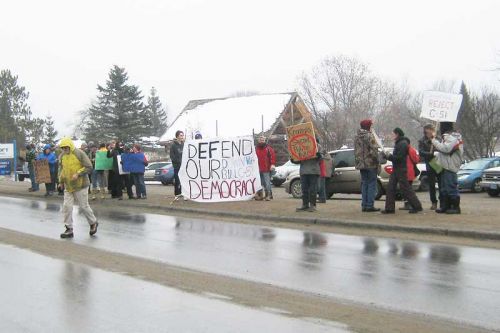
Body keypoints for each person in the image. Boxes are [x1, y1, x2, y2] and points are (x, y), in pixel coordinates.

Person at [58, 137, 98, 238]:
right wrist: (61, 181)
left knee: (84, 206)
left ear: (70, 146)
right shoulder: (62, 155)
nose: (64, 149)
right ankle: (69, 229)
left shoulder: (79, 153)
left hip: (81, 185)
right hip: (68, 185)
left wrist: (78, 173)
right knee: (67, 206)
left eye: (66, 147)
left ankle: (93, 223)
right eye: (63, 148)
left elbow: (89, 167)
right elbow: (62, 169)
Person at [381, 128, 422, 214]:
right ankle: (389, 208)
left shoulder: (402, 144)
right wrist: (388, 156)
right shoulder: (400, 143)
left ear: (397, 134)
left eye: (393, 134)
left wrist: (388, 156)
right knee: (391, 188)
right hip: (397, 169)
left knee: (405, 188)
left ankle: (417, 206)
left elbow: (399, 158)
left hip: (400, 169)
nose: (392, 135)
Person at [432, 122, 463, 214]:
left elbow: (446, 149)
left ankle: (455, 207)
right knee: (444, 187)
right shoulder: (449, 138)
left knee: (450, 186)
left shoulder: (452, 138)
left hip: (450, 166)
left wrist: (434, 142)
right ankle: (445, 206)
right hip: (445, 165)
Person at [354, 119, 381, 212]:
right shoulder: (369, 136)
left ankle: (364, 205)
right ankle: (370, 205)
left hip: (361, 164)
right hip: (370, 163)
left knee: (364, 183)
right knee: (371, 184)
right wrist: (378, 161)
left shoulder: (357, 136)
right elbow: (374, 150)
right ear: (368, 126)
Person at [294, 138, 322, 212]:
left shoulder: (318, 146)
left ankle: (313, 205)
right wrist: (293, 158)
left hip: (313, 171)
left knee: (313, 190)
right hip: (304, 171)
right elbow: (297, 160)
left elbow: (321, 158)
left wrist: (319, 156)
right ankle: (305, 205)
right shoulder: (300, 146)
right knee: (304, 190)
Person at [418, 124, 439, 210]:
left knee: (441, 181)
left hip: (437, 162)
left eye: (432, 129)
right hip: (429, 162)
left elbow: (441, 147)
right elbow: (421, 152)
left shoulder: (437, 138)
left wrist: (434, 140)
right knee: (431, 184)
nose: (431, 131)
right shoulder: (422, 140)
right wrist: (429, 154)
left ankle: (443, 201)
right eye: (429, 129)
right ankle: (434, 202)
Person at [255, 135, 276, 201]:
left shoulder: (269, 149)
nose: (261, 141)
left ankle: (268, 195)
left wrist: (272, 164)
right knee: (260, 183)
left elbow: (272, 156)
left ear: (265, 140)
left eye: (263, 140)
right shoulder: (256, 149)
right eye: (260, 140)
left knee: (267, 183)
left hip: (266, 169)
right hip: (258, 169)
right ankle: (260, 195)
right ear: (258, 141)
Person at [170, 130, 185, 198]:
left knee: (183, 180)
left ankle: (182, 192)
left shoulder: (183, 144)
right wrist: (178, 162)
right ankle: (177, 193)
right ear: (177, 136)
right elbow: (172, 156)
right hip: (177, 166)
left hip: (183, 166)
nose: (182, 137)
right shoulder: (173, 145)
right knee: (177, 180)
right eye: (181, 135)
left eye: (182, 135)